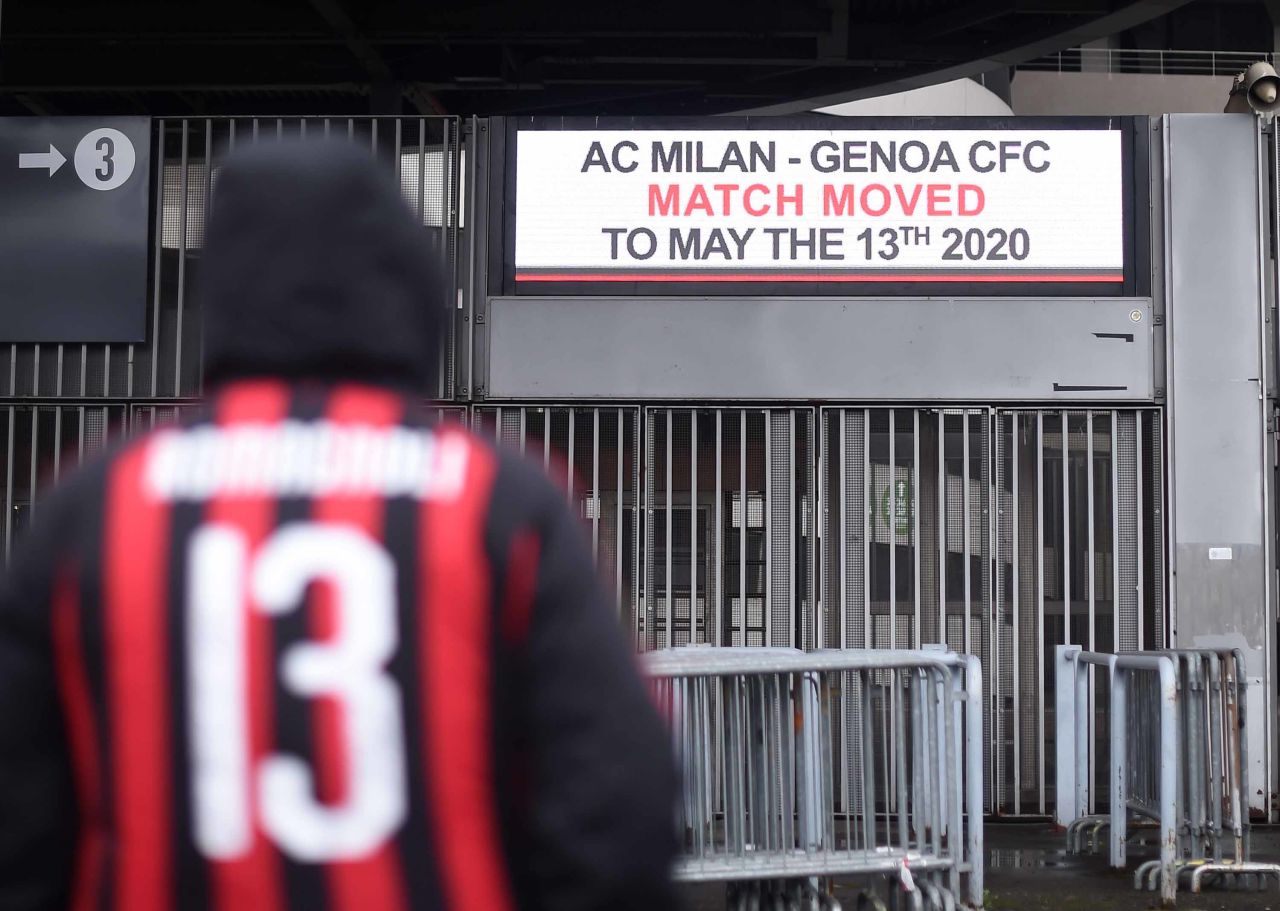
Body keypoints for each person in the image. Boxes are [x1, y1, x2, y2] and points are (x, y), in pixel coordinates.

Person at [0, 141, 679, 911]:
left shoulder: (94, 504)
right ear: (410, 286)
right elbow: (619, 805)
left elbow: (21, 818)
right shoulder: (499, 497)